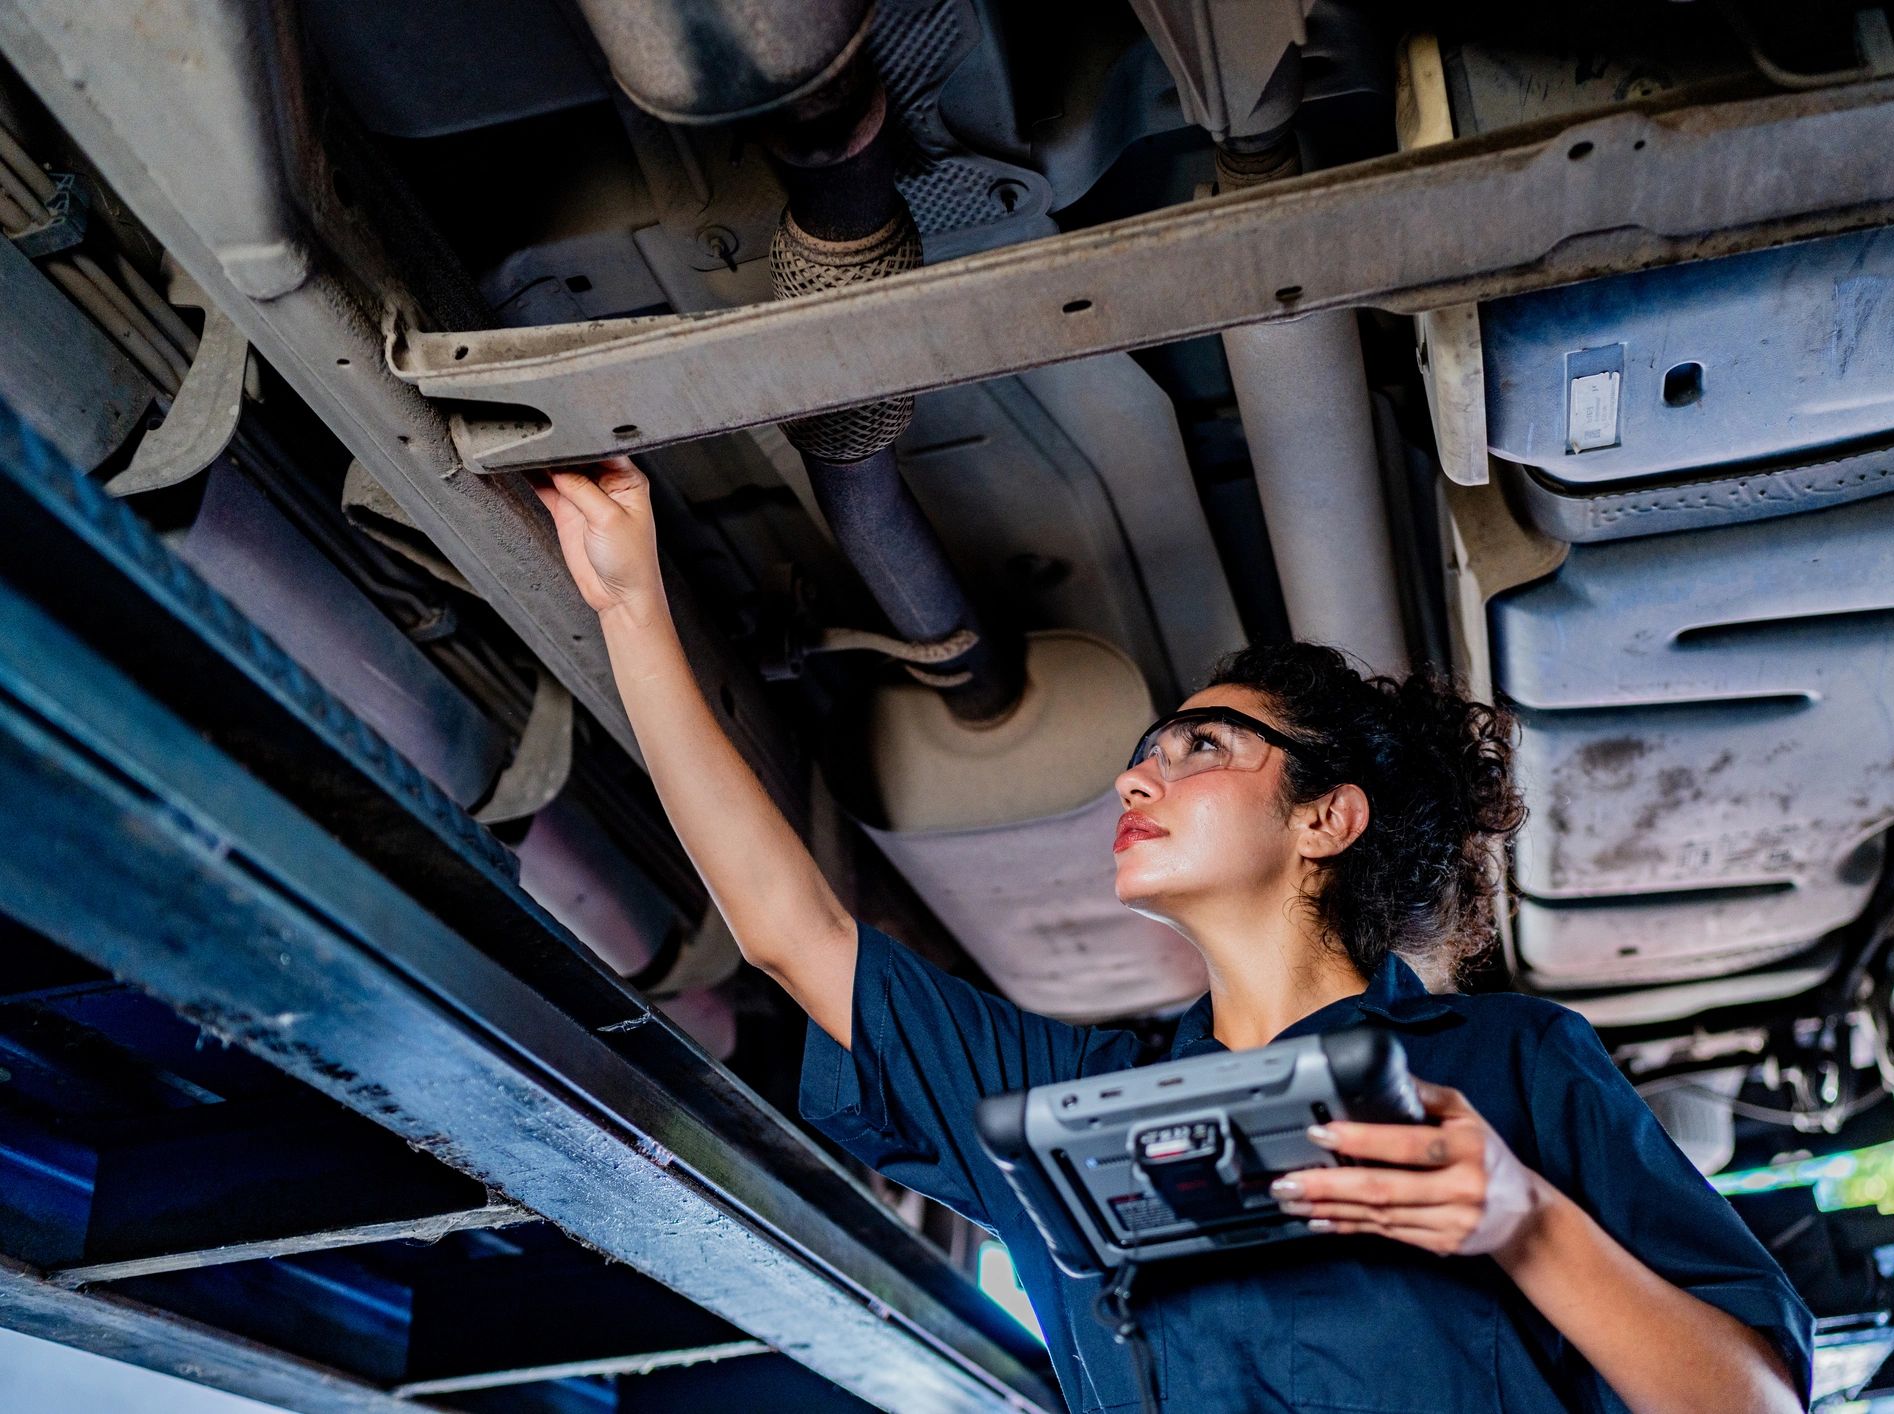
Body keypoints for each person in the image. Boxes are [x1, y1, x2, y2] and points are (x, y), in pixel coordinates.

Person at [536, 457, 1813, 1414]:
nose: (1136, 779)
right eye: (1142, 757)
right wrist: (634, 610)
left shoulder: (1513, 1068)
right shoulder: (1068, 1105)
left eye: (1199, 747)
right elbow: (790, 929)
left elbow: (1754, 1402)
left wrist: (1522, 1219)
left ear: (1326, 815)